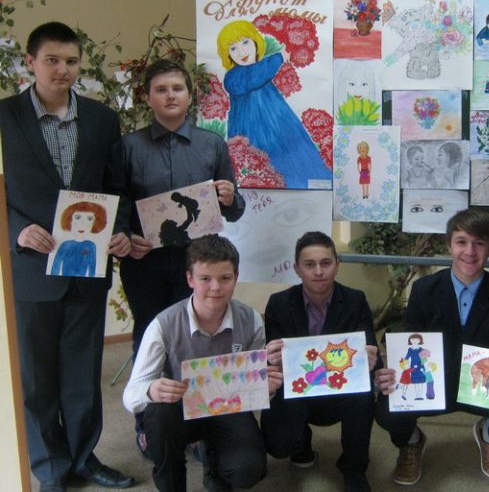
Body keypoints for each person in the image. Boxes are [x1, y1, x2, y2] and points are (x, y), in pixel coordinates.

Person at [0, 21, 134, 492]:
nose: (63, 70)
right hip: (30, 267)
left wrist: (120, 229)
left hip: (86, 266)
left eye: (71, 61)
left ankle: (83, 458)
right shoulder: (5, 117)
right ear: (30, 63)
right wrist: (17, 230)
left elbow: (117, 186)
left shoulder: (101, 119)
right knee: (36, 378)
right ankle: (50, 468)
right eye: (52, 60)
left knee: (82, 372)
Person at [115, 58, 245, 455]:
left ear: (190, 95)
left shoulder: (211, 144)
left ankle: (198, 425)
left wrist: (230, 197)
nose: (170, 95)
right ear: (148, 97)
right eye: (161, 89)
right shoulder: (128, 146)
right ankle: (148, 423)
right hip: (146, 263)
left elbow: (233, 209)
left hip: (199, 263)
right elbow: (118, 202)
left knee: (198, 339)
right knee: (149, 338)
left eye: (177, 88)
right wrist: (125, 234)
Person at [374, 208, 489, 486]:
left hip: (481, 386)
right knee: (386, 408)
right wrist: (391, 372)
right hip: (434, 384)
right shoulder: (424, 290)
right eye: (461, 242)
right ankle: (411, 441)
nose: (470, 251)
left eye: (479, 243)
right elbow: (410, 340)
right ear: (449, 245)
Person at [122, 234, 283, 492]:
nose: (215, 287)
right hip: (179, 411)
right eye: (205, 279)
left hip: (228, 408)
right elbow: (131, 396)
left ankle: (214, 469)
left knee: (249, 468)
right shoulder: (163, 324)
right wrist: (150, 390)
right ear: (190, 279)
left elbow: (254, 388)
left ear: (236, 278)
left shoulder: (251, 319)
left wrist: (267, 387)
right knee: (159, 414)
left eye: (225, 278)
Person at [260, 231, 380, 492]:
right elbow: (270, 365)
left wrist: (371, 359)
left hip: (341, 391)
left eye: (325, 263)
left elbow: (371, 352)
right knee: (278, 445)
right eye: (309, 264)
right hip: (297, 392)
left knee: (364, 392)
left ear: (337, 265)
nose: (318, 271)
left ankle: (354, 468)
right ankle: (301, 444)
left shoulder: (355, 300)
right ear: (297, 269)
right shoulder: (278, 304)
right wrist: (269, 357)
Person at [216, 19, 332, 188]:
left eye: (246, 42)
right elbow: (254, 77)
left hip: (279, 124)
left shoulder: (261, 68)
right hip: (252, 132)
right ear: (227, 55)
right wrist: (279, 57)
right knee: (263, 167)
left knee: (298, 160)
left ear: (256, 41)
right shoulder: (233, 77)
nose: (241, 51)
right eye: (233, 48)